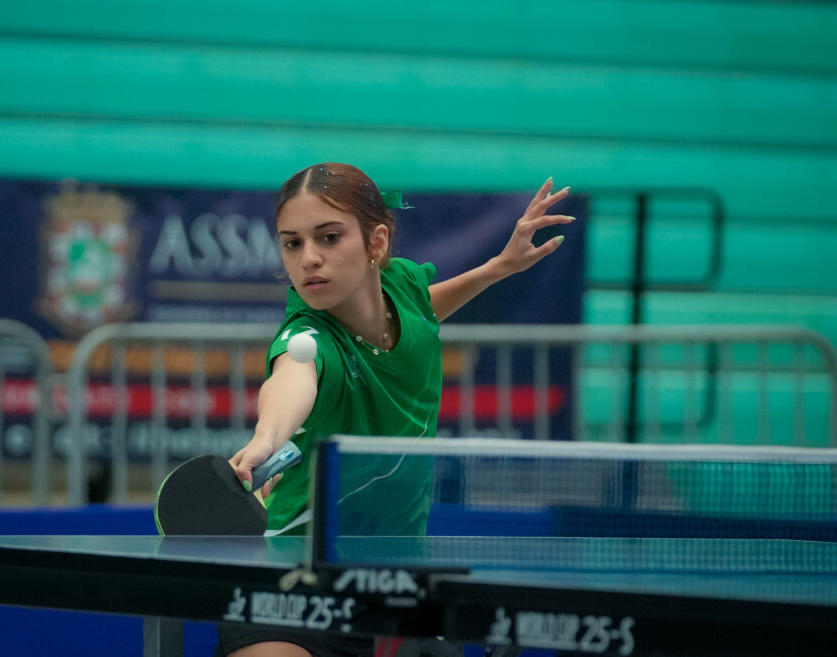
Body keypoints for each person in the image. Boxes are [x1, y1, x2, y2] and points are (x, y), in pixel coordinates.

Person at [220, 163, 573, 657]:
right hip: (293, 586)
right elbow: (293, 379)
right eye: (292, 243)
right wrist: (267, 438)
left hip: (394, 589)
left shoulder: (402, 288)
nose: (309, 258)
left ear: (376, 242)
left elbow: (421, 312)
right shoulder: (307, 337)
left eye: (328, 237)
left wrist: (499, 267)